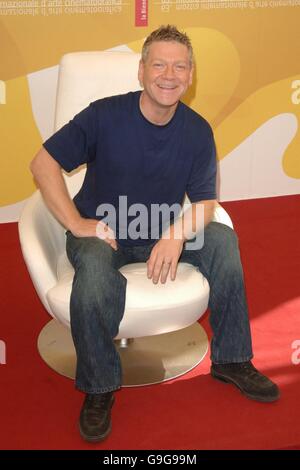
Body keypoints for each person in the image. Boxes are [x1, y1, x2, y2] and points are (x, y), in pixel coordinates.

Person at [30, 25, 280, 443]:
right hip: (103, 229)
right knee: (92, 276)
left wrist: (176, 235)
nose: (170, 74)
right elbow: (43, 164)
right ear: (142, 71)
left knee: (221, 240)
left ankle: (232, 360)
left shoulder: (198, 131)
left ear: (191, 74)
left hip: (159, 229)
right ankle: (99, 387)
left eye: (180, 66)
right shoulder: (104, 114)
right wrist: (76, 223)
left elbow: (203, 203)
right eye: (159, 64)